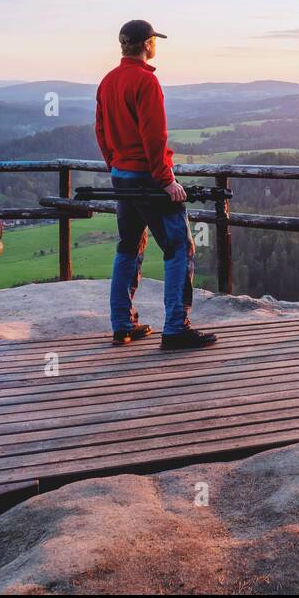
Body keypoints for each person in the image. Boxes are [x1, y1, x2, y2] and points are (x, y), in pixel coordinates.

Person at [94, 19, 217, 350]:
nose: (155, 44)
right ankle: (176, 327)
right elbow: (154, 136)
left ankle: (122, 323)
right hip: (148, 178)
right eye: (154, 40)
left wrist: (115, 165)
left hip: (122, 175)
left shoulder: (108, 81)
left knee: (128, 245)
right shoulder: (146, 82)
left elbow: (102, 132)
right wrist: (167, 180)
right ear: (147, 44)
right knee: (179, 248)